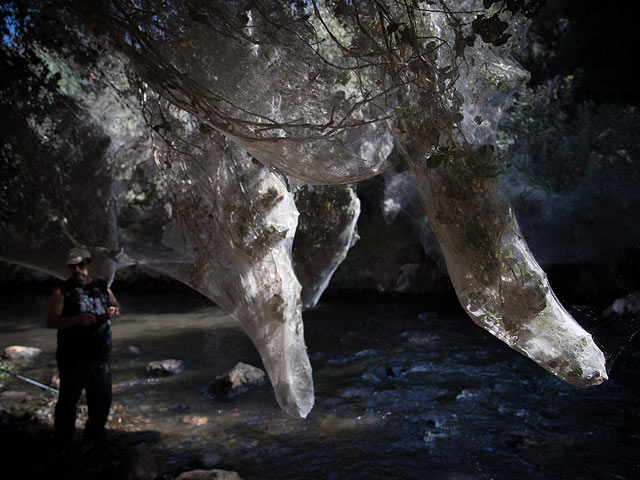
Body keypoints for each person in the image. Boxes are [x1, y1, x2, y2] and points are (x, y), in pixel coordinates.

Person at [47, 247, 122, 449]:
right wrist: (77, 320)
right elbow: (52, 321)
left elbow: (115, 304)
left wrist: (114, 309)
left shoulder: (101, 285)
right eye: (73, 266)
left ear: (90, 265)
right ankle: (63, 443)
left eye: (81, 265)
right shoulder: (62, 290)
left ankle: (94, 439)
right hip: (73, 357)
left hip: (100, 355)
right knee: (68, 401)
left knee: (102, 399)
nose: (77, 270)